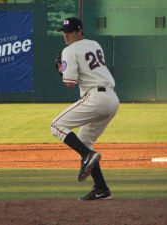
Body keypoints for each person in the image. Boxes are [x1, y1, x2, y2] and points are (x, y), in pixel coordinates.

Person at [51, 17, 120, 200]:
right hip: (112, 99)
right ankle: (101, 189)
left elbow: (70, 83)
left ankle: (87, 155)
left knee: (56, 126)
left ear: (80, 31)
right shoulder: (95, 44)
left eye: (70, 31)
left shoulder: (69, 50)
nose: (66, 35)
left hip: (96, 97)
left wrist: (62, 70)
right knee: (84, 140)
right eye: (64, 32)